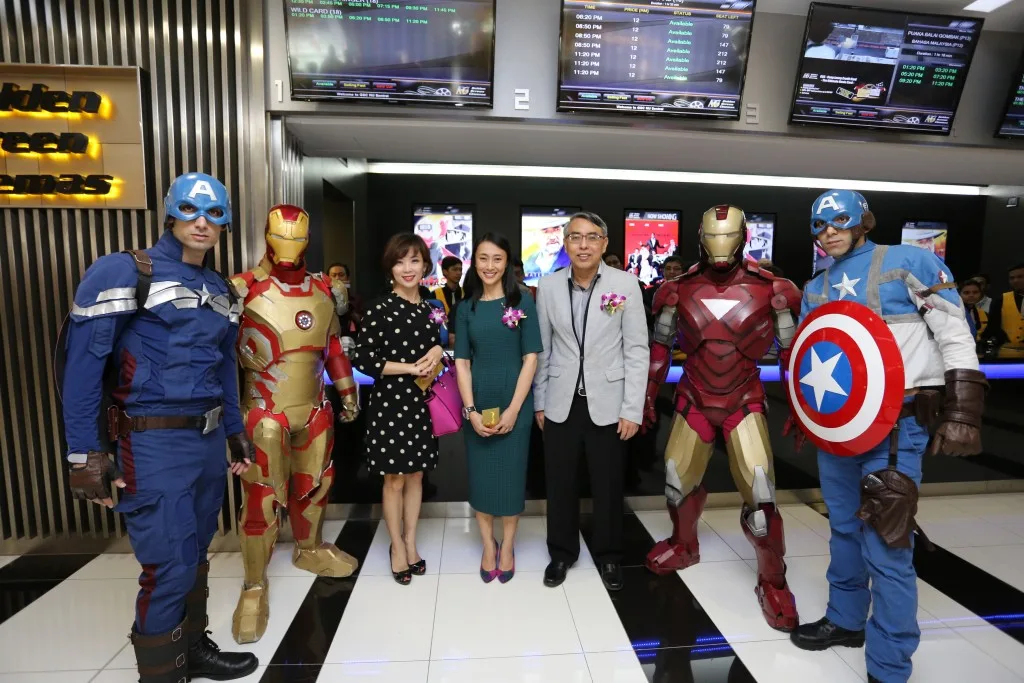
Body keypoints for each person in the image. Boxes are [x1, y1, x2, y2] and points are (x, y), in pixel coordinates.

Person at [59, 172, 258, 682]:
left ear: (225, 223)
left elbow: (222, 368)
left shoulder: (220, 289)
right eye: (192, 210)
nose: (202, 223)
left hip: (207, 441)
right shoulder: (124, 271)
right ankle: (162, 675)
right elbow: (82, 367)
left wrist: (235, 432)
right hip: (149, 442)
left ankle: (191, 649)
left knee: (195, 554)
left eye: (214, 214)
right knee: (167, 564)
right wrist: (86, 456)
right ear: (170, 211)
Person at [788, 190, 987, 683]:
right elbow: (819, 355)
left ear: (864, 221)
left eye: (838, 221)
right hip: (840, 429)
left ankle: (889, 663)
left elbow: (954, 332)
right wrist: (807, 411)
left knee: (888, 541)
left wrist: (963, 408)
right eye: (818, 225)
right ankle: (846, 619)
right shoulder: (816, 285)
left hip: (897, 426)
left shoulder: (908, 261)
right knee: (842, 527)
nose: (828, 231)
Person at [642, 205, 802, 631]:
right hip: (694, 396)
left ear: (743, 237)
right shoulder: (676, 289)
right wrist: (647, 398)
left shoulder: (776, 290)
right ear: (700, 238)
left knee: (761, 491)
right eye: (713, 238)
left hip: (742, 400)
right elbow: (659, 350)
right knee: (676, 477)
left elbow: (792, 356)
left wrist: (801, 409)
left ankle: (773, 580)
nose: (719, 248)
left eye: (727, 237)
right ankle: (684, 544)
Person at [229, 205, 361, 644]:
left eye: (297, 237)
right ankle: (253, 585)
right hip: (263, 408)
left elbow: (334, 348)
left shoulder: (323, 288)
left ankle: (309, 549)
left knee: (317, 483)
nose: (289, 246)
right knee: (262, 496)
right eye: (281, 236)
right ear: (267, 235)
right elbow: (212, 356)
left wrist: (346, 392)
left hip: (314, 404)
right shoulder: (241, 289)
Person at [533, 211, 649, 591]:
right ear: (565, 243)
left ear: (604, 243)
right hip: (560, 400)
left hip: (610, 401)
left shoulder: (626, 284)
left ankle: (611, 556)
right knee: (560, 483)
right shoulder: (548, 287)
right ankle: (561, 553)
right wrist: (539, 402)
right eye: (575, 237)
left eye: (591, 237)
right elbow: (543, 350)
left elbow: (636, 349)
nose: (583, 245)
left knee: (609, 484)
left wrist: (632, 408)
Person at [352, 233, 444, 585]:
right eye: (400, 261)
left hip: (423, 403)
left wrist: (437, 352)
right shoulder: (380, 308)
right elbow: (363, 359)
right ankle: (395, 546)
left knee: (417, 475)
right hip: (390, 403)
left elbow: (439, 344)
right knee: (394, 479)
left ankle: (410, 540)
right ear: (390, 268)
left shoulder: (432, 307)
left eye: (414, 260)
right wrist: (409, 368)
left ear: (425, 265)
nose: (408, 268)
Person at [454, 233, 543, 584]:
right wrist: (471, 410)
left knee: (509, 477)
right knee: (481, 478)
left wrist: (514, 410)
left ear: (507, 263)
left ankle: (507, 546)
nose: (489, 266)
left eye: (497, 259)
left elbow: (531, 357)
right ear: (474, 262)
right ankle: (487, 547)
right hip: (479, 398)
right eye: (483, 258)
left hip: (514, 400)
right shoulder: (467, 307)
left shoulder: (521, 301)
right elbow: (461, 362)